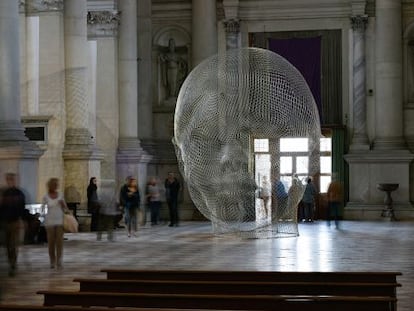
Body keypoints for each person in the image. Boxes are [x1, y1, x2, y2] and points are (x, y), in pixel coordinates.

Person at [0, 173, 26, 276]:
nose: (10, 181)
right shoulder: (4, 193)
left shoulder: (19, 193)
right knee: (7, 245)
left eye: (12, 179)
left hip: (14, 222)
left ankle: (13, 264)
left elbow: (22, 208)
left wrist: (22, 220)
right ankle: (10, 262)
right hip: (5, 222)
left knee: (13, 245)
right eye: (9, 179)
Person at [41, 178, 69, 269]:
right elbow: (42, 209)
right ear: (50, 185)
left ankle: (59, 260)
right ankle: (52, 261)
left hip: (59, 221)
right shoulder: (46, 196)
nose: (56, 186)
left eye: (57, 184)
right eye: (54, 184)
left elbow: (66, 209)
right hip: (50, 222)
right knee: (51, 242)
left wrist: (63, 205)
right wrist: (43, 217)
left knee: (59, 242)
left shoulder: (60, 195)